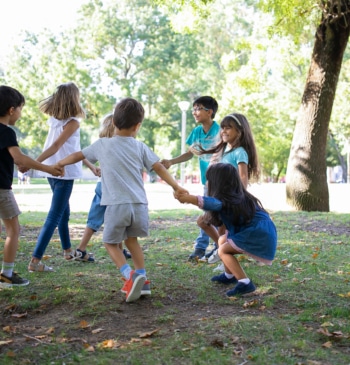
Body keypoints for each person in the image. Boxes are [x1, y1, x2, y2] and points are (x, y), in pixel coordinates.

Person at [56, 97, 188, 303]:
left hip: (117, 205)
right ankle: (142, 279)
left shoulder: (102, 144)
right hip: (139, 205)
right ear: (137, 126)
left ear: (114, 123)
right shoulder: (140, 146)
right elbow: (159, 167)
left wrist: (61, 163)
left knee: (110, 243)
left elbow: (78, 155)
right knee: (132, 241)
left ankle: (130, 276)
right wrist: (177, 186)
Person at [175, 163, 277, 297]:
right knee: (223, 241)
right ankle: (229, 275)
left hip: (257, 234)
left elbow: (213, 203)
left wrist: (190, 199)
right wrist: (206, 225)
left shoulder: (227, 200)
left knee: (223, 250)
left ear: (218, 183)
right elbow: (221, 233)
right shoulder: (237, 198)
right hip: (260, 232)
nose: (207, 184)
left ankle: (245, 283)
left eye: (209, 180)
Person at [27, 82, 97, 273]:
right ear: (74, 98)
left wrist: (90, 165)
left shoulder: (55, 121)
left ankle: (67, 251)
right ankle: (35, 261)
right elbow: (56, 146)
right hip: (62, 172)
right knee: (55, 215)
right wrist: (32, 163)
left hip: (53, 171)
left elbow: (74, 149)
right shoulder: (72, 122)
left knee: (64, 213)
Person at [0, 85, 63, 287]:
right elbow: (20, 158)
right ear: (11, 110)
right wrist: (48, 168)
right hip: (1, 190)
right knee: (13, 230)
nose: (20, 113)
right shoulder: (7, 132)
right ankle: (6, 274)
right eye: (20, 109)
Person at [195, 113, 260, 269]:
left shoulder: (240, 152)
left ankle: (224, 258)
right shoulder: (224, 150)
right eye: (222, 127)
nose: (223, 131)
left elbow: (243, 177)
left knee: (221, 230)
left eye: (228, 128)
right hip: (219, 198)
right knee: (205, 223)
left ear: (240, 131)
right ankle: (221, 251)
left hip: (230, 200)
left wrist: (240, 198)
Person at [161, 96, 220, 260]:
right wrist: (171, 162)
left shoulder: (220, 131)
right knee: (209, 213)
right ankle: (214, 247)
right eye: (193, 109)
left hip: (220, 182)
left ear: (210, 112)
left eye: (198, 108)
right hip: (206, 181)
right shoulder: (197, 132)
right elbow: (190, 153)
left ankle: (204, 248)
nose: (194, 112)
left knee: (210, 214)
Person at [73, 113, 131, 262]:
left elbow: (82, 154)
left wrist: (96, 168)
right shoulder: (121, 145)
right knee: (118, 217)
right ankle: (118, 249)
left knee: (95, 218)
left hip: (101, 186)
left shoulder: (102, 144)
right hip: (113, 188)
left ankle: (82, 248)